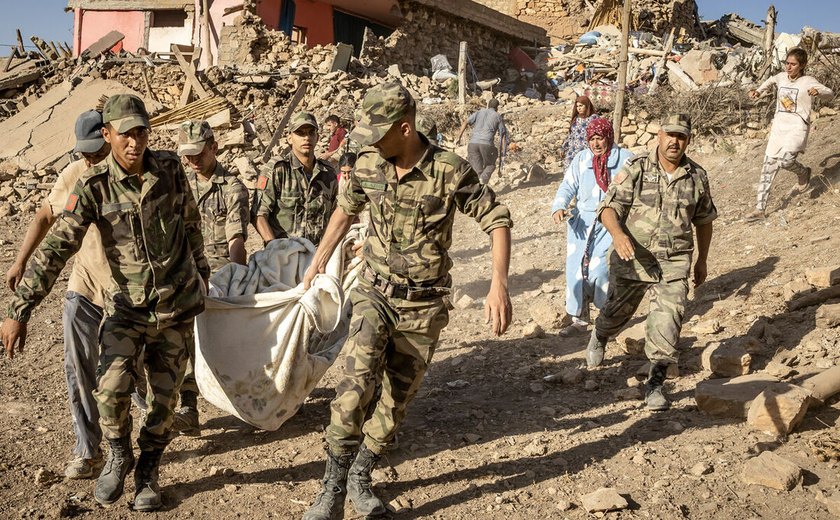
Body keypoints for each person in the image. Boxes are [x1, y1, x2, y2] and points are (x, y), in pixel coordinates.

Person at [300, 82, 513, 520]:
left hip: (424, 305)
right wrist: (319, 261)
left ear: (405, 128)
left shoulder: (450, 171)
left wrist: (499, 284)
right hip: (374, 292)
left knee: (396, 399)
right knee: (355, 386)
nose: (371, 142)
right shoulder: (367, 164)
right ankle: (333, 486)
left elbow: (497, 220)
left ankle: (362, 472)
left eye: (379, 133)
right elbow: (346, 209)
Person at [1, 94, 210, 512]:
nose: (134, 142)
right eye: (125, 133)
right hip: (126, 310)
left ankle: (148, 471)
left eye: (141, 132)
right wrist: (18, 310)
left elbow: (190, 223)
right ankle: (118, 452)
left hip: (173, 308)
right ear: (107, 134)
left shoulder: (169, 169)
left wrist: (201, 272)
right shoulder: (93, 187)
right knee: (111, 391)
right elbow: (58, 247)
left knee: (164, 403)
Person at [4, 110, 111, 480]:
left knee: (130, 372)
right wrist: (21, 261)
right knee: (78, 368)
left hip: (131, 294)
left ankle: (141, 434)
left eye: (97, 151)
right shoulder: (74, 175)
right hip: (84, 284)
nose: (90, 159)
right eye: (85, 153)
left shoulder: (140, 176)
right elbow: (47, 219)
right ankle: (88, 449)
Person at [585, 114, 717, 412]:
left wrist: (703, 261)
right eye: (670, 135)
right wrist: (618, 235)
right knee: (618, 311)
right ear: (659, 135)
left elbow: (704, 221)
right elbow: (608, 208)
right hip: (633, 258)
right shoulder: (637, 168)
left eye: (681, 136)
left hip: (674, 261)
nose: (674, 141)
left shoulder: (697, 176)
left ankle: (655, 384)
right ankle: (600, 335)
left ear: (688, 140)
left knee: (667, 320)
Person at [174, 119, 250, 436]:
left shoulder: (233, 188)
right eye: (186, 155)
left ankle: (247, 400)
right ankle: (187, 407)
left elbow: (236, 239)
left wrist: (235, 281)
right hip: (183, 275)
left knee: (231, 345)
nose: (192, 161)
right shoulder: (179, 187)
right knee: (181, 341)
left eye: (198, 154)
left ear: (214, 148)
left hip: (218, 275)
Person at [550, 117, 633, 336]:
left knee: (600, 270)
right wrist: (559, 206)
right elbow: (568, 185)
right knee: (577, 271)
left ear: (609, 137)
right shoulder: (581, 159)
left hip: (610, 223)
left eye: (600, 139)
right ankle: (579, 320)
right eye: (592, 139)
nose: (596, 144)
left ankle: (608, 319)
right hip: (582, 224)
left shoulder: (625, 160)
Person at [746, 48, 834, 220]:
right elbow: (770, 82)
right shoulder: (780, 77)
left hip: (797, 127)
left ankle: (803, 173)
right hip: (779, 127)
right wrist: (758, 91)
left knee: (785, 161)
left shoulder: (808, 81)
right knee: (768, 167)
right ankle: (760, 209)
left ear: (802, 65)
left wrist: (818, 92)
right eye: (787, 63)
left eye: (793, 64)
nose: (789, 67)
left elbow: (829, 94)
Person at [255, 111, 338, 247]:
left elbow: (336, 215)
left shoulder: (328, 173)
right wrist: (274, 247)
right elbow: (259, 214)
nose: (307, 138)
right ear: (289, 138)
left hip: (318, 254)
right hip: (284, 254)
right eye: (300, 133)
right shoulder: (277, 169)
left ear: (317, 137)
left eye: (311, 133)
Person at [456, 98, 508, 184]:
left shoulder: (479, 112)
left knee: (477, 170)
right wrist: (503, 151)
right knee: (490, 164)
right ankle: (483, 179)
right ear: (497, 108)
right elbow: (503, 135)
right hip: (487, 145)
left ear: (488, 105)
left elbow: (465, 122)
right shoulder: (497, 116)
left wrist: (459, 137)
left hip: (473, 144)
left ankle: (479, 186)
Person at [561, 95, 597, 171]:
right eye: (577, 106)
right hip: (573, 151)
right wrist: (563, 148)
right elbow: (570, 135)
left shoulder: (594, 119)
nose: (579, 108)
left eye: (581, 106)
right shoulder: (576, 119)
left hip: (587, 151)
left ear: (587, 106)